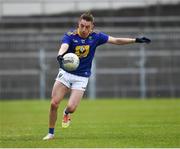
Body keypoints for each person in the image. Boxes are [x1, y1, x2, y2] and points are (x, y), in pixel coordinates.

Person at [43, 12, 151, 140]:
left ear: (92, 26)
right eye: (82, 25)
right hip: (66, 73)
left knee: (72, 108)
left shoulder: (96, 36)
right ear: (79, 23)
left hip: (81, 77)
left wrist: (135, 40)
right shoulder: (70, 35)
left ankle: (66, 113)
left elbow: (115, 40)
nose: (84, 29)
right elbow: (63, 46)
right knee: (54, 103)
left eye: (87, 27)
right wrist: (60, 55)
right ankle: (51, 133)